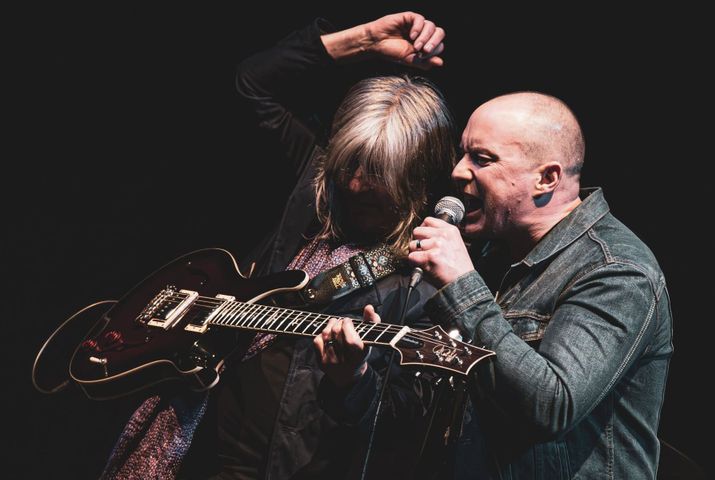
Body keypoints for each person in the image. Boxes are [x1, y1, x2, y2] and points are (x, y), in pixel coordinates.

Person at [101, 12, 458, 480]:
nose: (352, 183)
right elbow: (252, 83)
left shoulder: (424, 275)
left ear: (416, 177)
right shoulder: (313, 186)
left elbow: (406, 424)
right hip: (190, 444)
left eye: (374, 172)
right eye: (348, 162)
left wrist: (354, 380)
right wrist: (363, 41)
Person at [399, 92, 674, 478]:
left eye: (482, 158)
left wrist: (464, 287)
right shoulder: (492, 256)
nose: (459, 171)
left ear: (547, 178)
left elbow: (550, 406)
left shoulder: (618, 271)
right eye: (462, 154)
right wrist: (355, 382)